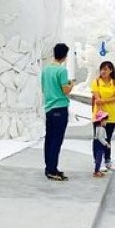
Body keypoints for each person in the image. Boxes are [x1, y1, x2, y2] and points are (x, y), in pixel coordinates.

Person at [41, 43, 74, 181]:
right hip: (60, 107)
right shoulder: (62, 70)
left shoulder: (45, 70)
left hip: (49, 107)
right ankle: (52, 170)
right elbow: (65, 90)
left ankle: (49, 167)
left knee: (49, 138)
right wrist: (71, 84)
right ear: (65, 56)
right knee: (57, 140)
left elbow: (44, 88)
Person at [91, 61, 115, 172]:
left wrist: (103, 100)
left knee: (108, 139)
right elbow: (97, 99)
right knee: (98, 139)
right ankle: (98, 161)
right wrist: (105, 101)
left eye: (105, 69)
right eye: (102, 69)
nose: (103, 71)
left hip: (111, 116)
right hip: (99, 116)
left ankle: (108, 160)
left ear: (111, 70)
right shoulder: (96, 82)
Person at [92, 111, 110, 178]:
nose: (106, 122)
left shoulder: (97, 127)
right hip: (99, 145)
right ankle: (96, 171)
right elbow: (100, 138)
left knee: (98, 158)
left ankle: (97, 170)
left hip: (96, 143)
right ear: (101, 121)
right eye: (105, 120)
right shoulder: (102, 128)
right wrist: (106, 144)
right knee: (99, 158)